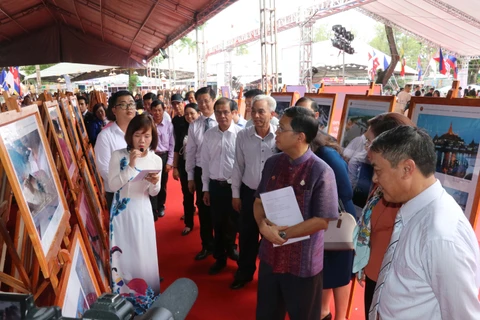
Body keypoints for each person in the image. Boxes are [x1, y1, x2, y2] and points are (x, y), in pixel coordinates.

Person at [366, 125, 480, 320]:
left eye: (378, 170)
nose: (375, 178)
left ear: (407, 169)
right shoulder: (415, 209)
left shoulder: (441, 236)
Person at [254, 106, 339, 320]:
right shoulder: (273, 163)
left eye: (282, 129)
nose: (276, 133)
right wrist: (262, 226)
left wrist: (282, 235)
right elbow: (258, 201)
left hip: (303, 263)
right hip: (270, 256)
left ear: (300, 137)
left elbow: (321, 221)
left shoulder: (322, 171)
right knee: (266, 314)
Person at [297, 99, 356, 320]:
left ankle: (339, 317)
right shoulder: (304, 151)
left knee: (338, 274)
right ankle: (324, 312)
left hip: (336, 221)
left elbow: (345, 191)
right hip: (317, 221)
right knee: (324, 274)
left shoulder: (325, 153)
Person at [351, 113, 415, 319]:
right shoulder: (381, 183)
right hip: (374, 272)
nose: (365, 147)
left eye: (369, 142)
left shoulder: (403, 191)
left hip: (391, 282)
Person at [108, 114, 162, 314]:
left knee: (143, 251)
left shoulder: (155, 158)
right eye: (138, 135)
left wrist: (154, 182)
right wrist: (130, 166)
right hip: (122, 211)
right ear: (130, 135)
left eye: (147, 136)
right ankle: (122, 299)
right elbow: (112, 185)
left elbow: (154, 192)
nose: (142, 140)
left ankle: (146, 298)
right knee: (124, 252)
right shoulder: (118, 155)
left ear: (152, 137)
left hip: (143, 210)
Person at [231, 94, 277, 289]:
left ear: (272, 113)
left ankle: (271, 279)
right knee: (247, 235)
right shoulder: (243, 135)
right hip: (249, 193)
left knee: (274, 237)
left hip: (275, 197)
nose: (256, 116)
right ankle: (244, 273)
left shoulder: (280, 137)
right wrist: (235, 194)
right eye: (253, 111)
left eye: (261, 111)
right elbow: (237, 166)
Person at [201, 98, 242, 275]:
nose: (222, 116)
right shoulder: (209, 135)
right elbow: (205, 163)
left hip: (235, 187)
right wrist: (205, 188)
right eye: (218, 112)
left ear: (234, 113)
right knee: (217, 223)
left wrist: (238, 192)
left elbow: (243, 165)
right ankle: (220, 257)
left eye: (226, 112)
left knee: (234, 222)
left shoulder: (241, 134)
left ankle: (232, 247)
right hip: (216, 186)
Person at [186, 87, 216, 260]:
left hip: (220, 171)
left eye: (206, 100)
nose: (203, 104)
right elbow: (190, 152)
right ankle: (207, 245)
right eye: (200, 101)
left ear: (213, 99)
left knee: (223, 211)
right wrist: (190, 177)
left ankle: (227, 245)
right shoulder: (194, 126)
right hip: (200, 170)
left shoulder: (222, 121)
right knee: (204, 211)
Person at [95, 91, 136, 212]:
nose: (129, 108)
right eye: (123, 105)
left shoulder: (139, 133)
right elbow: (105, 170)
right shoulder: (105, 136)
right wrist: (126, 182)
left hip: (138, 192)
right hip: (117, 194)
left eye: (132, 104)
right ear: (114, 110)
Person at [173, 103, 199, 235]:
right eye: (187, 114)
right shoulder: (182, 128)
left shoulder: (203, 128)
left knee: (201, 197)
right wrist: (175, 167)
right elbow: (177, 149)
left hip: (200, 168)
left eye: (192, 113)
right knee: (187, 195)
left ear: (198, 113)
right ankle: (189, 223)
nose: (189, 116)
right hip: (185, 167)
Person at [149, 100, 174, 219]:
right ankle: (153, 210)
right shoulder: (148, 124)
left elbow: (172, 145)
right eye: (155, 110)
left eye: (159, 110)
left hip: (163, 157)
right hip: (151, 157)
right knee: (151, 182)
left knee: (162, 183)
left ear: (163, 110)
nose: (157, 113)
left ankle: (161, 205)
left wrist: (170, 162)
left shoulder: (169, 125)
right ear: (151, 111)